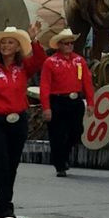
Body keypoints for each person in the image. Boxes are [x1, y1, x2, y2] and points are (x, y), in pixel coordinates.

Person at [0, 22, 46, 218]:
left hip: (19, 121)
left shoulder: (23, 68)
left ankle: (2, 204)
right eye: (3, 42)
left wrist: (33, 39)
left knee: (12, 165)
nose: (6, 46)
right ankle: (5, 206)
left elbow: (40, 61)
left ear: (17, 47)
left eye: (11, 42)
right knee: (1, 164)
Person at [39, 29, 95, 177]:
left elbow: (87, 83)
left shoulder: (79, 61)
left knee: (77, 131)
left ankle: (63, 156)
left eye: (71, 43)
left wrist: (90, 102)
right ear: (59, 45)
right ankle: (60, 164)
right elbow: (45, 86)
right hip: (57, 101)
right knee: (57, 134)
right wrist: (46, 107)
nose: (70, 46)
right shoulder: (50, 62)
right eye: (66, 43)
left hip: (75, 101)